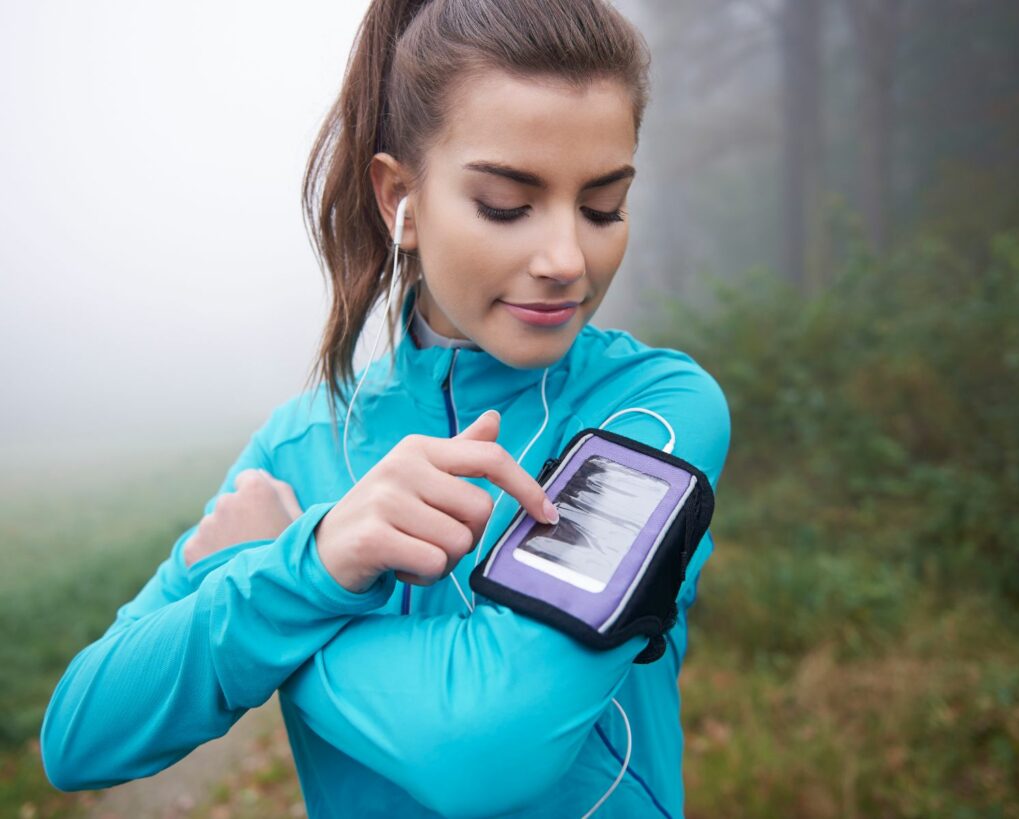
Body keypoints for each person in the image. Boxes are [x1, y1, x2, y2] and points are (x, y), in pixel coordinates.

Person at [40, 0, 730, 816]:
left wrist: (268, 584)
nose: (566, 259)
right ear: (399, 196)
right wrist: (314, 558)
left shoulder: (649, 412)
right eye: (508, 204)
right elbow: (79, 736)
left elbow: (487, 750)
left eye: (602, 206)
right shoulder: (299, 445)